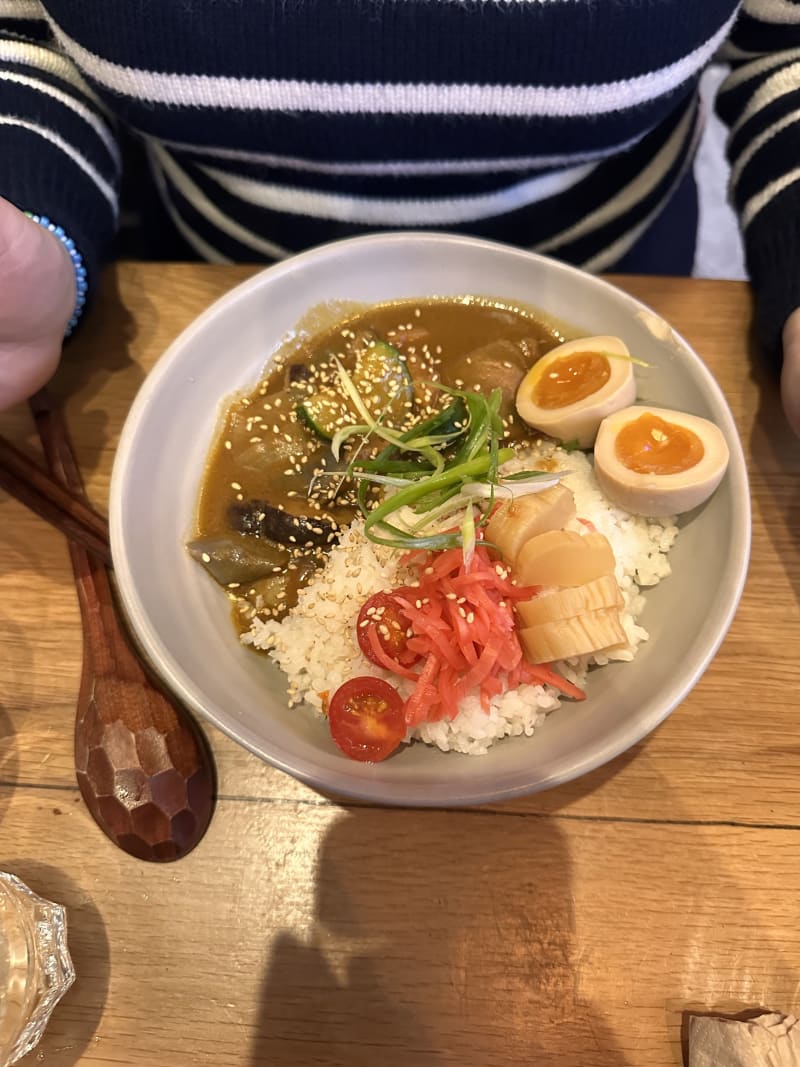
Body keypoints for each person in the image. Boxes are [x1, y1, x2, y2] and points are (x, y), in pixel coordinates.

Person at [0, 0, 798, 434]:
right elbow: (23, 33)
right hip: (198, 316)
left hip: (630, 300)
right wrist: (29, 222)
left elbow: (784, 47)